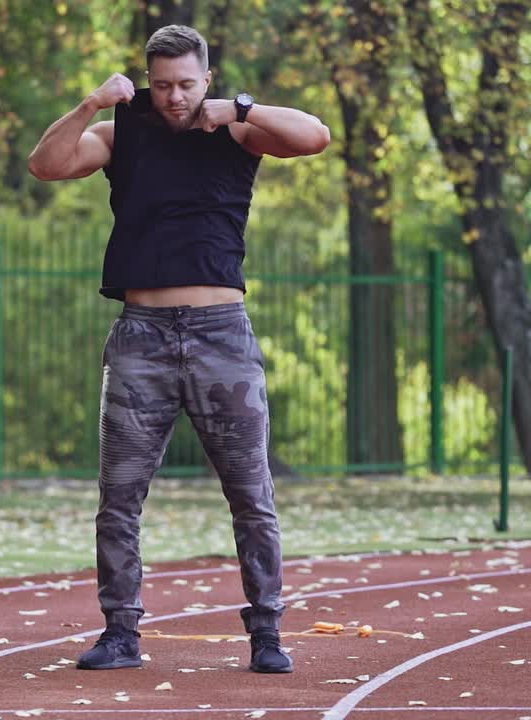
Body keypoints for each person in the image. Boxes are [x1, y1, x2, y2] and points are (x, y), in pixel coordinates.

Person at [27, 24, 330, 674]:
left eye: (186, 84)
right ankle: (120, 634)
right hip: (142, 336)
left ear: (206, 79)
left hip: (223, 336)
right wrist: (90, 103)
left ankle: (267, 634)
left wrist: (241, 109)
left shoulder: (235, 128)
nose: (173, 97)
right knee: (119, 497)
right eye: (162, 85)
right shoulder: (121, 130)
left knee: (251, 495)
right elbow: (45, 165)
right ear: (147, 81)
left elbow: (316, 137)